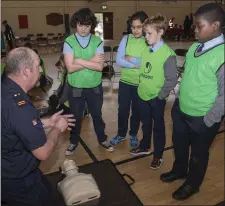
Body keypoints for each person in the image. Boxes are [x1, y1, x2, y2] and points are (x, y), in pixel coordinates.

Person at [160, 3, 225, 200]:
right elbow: (188, 75)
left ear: (215, 25)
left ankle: (192, 184)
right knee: (179, 146)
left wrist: (209, 119)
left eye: (199, 26)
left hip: (203, 118)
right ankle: (179, 170)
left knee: (198, 155)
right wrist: (178, 100)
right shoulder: (195, 47)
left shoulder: (222, 55)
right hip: (181, 110)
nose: (194, 30)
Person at [1, 47, 75, 206]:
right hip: (17, 179)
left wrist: (47, 122)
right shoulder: (18, 106)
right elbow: (43, 152)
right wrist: (57, 128)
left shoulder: (6, 89)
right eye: (37, 65)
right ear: (26, 71)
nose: (41, 69)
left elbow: (12, 126)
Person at [63, 8, 114, 155]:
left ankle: (102, 139)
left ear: (92, 25)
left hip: (94, 87)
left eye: (87, 25)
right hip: (76, 87)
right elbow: (70, 68)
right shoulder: (69, 41)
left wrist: (79, 60)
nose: (84, 28)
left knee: (97, 115)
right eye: (80, 24)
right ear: (75, 24)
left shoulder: (97, 41)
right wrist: (90, 60)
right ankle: (73, 141)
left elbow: (99, 67)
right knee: (76, 117)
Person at [130, 14, 177, 170]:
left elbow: (171, 80)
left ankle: (158, 155)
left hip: (156, 98)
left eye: (149, 33)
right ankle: (144, 147)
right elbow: (144, 64)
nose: (146, 36)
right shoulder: (146, 50)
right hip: (142, 95)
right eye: (146, 33)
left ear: (161, 32)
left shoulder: (168, 55)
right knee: (146, 124)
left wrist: (160, 96)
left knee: (158, 128)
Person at [109, 11, 148, 148]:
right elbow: (119, 60)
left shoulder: (148, 41)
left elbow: (147, 62)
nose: (135, 30)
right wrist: (137, 64)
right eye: (133, 27)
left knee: (136, 111)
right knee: (123, 110)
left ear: (145, 26)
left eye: (139, 27)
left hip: (140, 83)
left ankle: (133, 134)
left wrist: (133, 59)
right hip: (125, 81)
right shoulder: (126, 39)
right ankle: (120, 134)